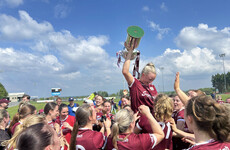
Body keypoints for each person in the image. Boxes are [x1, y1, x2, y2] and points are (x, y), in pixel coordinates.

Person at [122, 42, 157, 113]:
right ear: (143, 75)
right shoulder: (135, 83)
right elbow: (125, 71)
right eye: (150, 79)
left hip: (153, 120)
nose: (151, 82)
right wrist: (130, 51)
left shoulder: (152, 87)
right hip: (140, 121)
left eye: (153, 80)